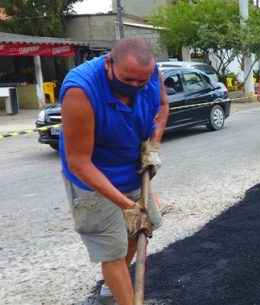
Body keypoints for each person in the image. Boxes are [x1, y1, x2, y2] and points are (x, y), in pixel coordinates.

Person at [60, 37, 169, 305]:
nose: (134, 87)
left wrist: (153, 144)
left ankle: (112, 284)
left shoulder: (152, 75)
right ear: (109, 63)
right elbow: (79, 162)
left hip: (130, 169)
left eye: (140, 83)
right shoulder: (81, 90)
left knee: (141, 230)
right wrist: (128, 206)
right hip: (92, 179)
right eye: (127, 80)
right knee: (111, 249)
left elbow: (163, 107)